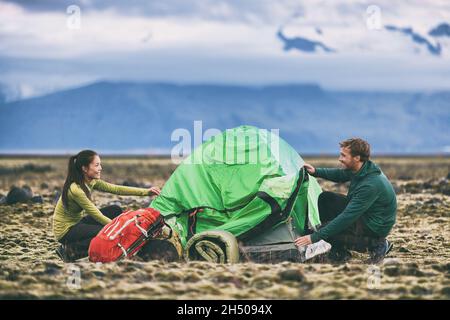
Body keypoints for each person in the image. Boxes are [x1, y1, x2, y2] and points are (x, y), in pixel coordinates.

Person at [295, 138, 397, 264]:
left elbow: (347, 217)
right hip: (366, 216)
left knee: (328, 229)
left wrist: (315, 237)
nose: (340, 158)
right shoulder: (363, 169)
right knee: (326, 199)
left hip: (374, 227)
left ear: (357, 158)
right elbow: (341, 175)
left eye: (343, 155)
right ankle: (341, 252)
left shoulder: (370, 185)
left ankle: (377, 244)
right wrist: (316, 171)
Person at [53, 150, 160, 262]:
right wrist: (118, 230)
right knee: (102, 232)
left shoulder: (91, 181)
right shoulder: (76, 190)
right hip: (65, 231)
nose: (100, 168)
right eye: (97, 165)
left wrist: (147, 192)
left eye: (100, 164)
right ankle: (69, 251)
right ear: (85, 168)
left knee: (115, 210)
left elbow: (116, 189)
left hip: (77, 223)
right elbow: (96, 214)